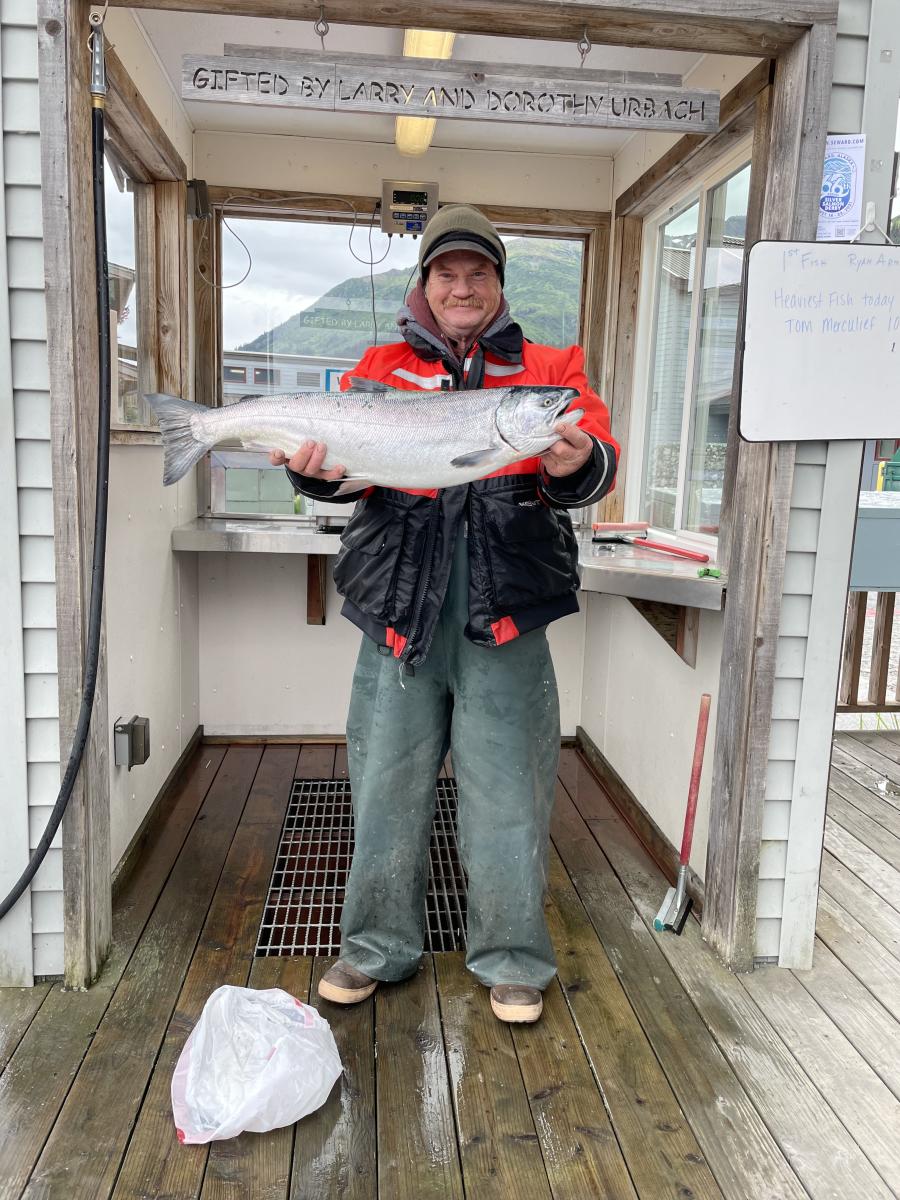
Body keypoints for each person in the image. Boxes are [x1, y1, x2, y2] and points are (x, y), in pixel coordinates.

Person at [271, 204, 618, 1023]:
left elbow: (592, 467)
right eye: (446, 272)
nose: (463, 287)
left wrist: (574, 459)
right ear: (424, 283)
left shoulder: (549, 371)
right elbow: (345, 477)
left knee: (508, 792)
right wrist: (316, 475)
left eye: (479, 272)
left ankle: (512, 959)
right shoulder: (382, 366)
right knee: (385, 785)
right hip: (398, 612)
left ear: (498, 284)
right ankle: (373, 948)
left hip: (506, 614)